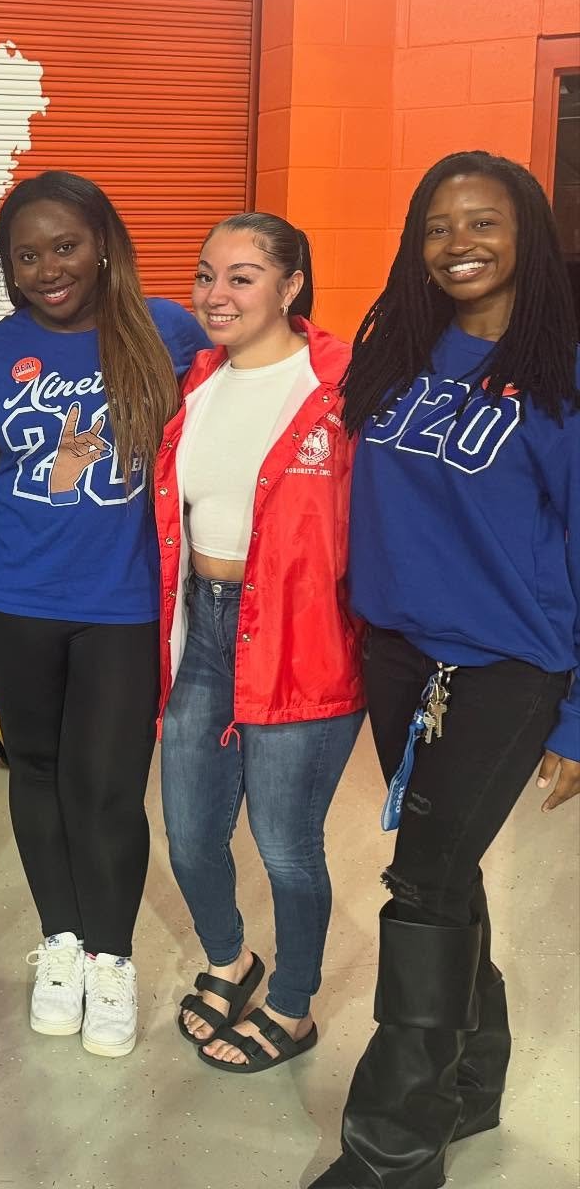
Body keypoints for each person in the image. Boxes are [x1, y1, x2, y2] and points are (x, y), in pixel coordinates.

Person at [310, 151, 580, 1188]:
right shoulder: (398, 357)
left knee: (418, 886)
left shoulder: (557, 381)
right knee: (446, 873)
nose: (458, 244)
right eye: (437, 226)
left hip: (511, 669)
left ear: (528, 241)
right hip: (397, 659)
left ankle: (391, 1148)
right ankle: (474, 1081)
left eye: (484, 224)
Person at [0, 169, 209, 1057]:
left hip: (123, 601)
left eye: (65, 246)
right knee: (35, 769)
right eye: (26, 255)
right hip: (12, 593)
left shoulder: (167, 330)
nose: (48, 268)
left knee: (105, 789)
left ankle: (112, 958)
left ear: (103, 243)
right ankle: (60, 945)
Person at [155, 212, 363, 1074]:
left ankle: (293, 1003)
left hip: (301, 640)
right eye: (207, 274)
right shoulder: (196, 381)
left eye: (242, 276)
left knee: (285, 844)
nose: (215, 294)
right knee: (190, 832)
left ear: (291, 287)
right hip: (202, 628)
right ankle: (228, 960)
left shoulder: (346, 386)